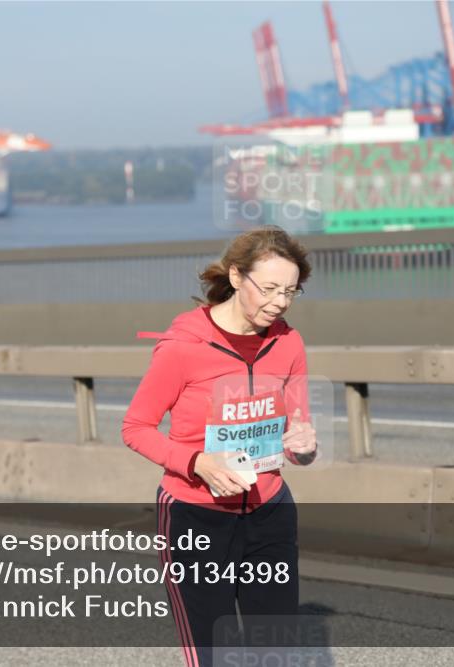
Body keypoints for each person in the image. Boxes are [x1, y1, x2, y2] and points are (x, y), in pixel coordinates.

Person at [122, 225, 318, 667]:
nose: (279, 302)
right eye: (268, 288)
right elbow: (136, 427)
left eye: (291, 291)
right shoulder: (182, 347)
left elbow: (298, 435)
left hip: (270, 515)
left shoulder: (289, 343)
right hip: (196, 518)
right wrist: (196, 463)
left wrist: (304, 446)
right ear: (235, 278)